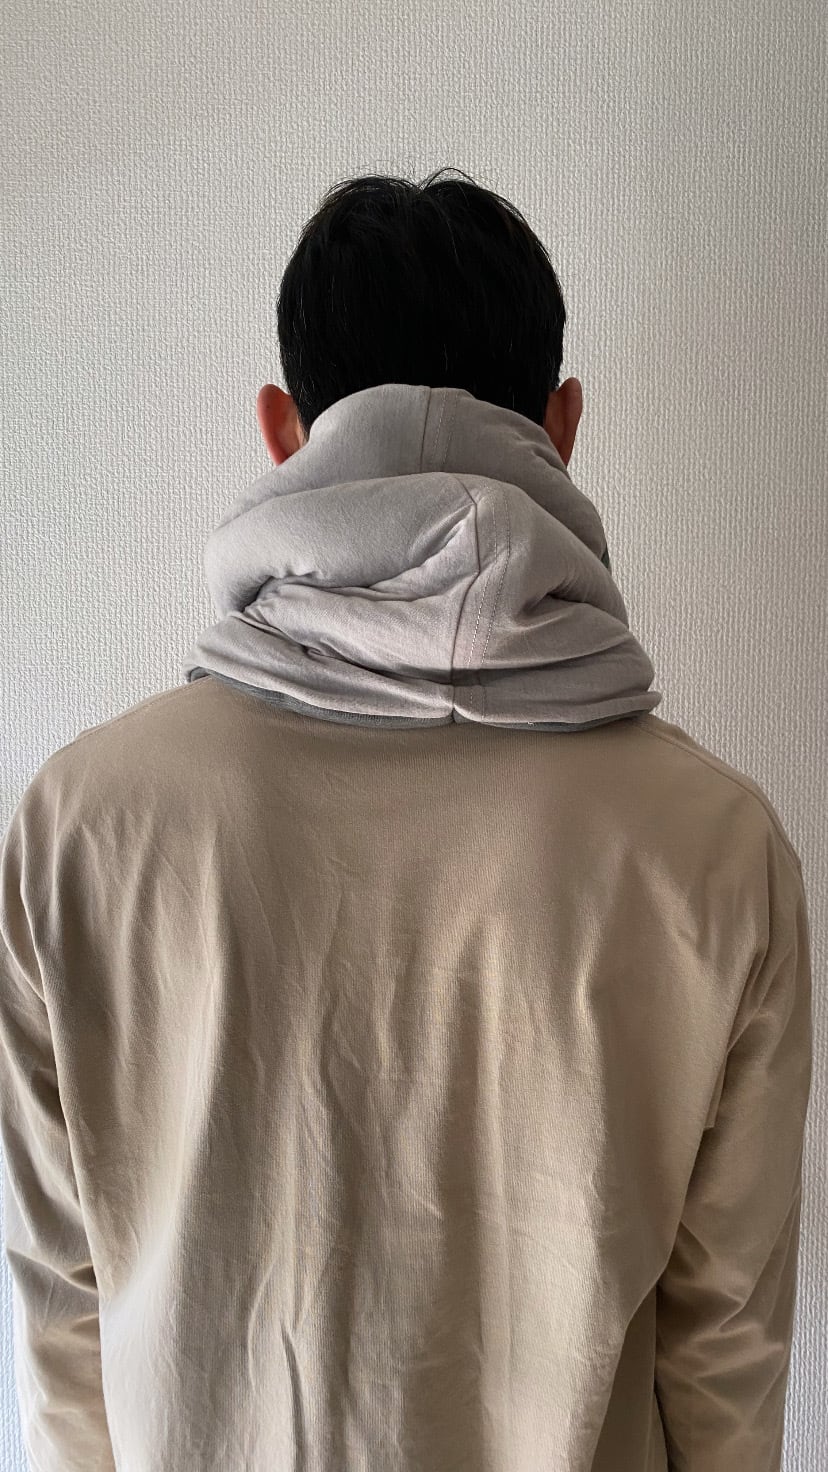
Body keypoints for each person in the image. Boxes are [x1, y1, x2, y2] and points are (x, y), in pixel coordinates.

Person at [0, 166, 812, 1472]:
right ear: (563, 423)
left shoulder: (79, 828)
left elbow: (64, 1330)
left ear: (282, 429)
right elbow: (724, 1364)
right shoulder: (719, 850)